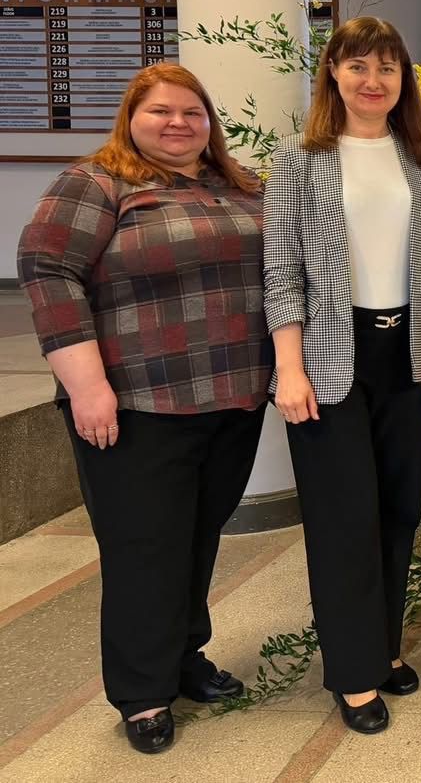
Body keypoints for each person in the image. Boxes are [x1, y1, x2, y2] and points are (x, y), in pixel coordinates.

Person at [16, 63, 269, 755]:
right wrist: (87, 385)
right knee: (143, 549)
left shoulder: (237, 184)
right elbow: (47, 269)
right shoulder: (97, 183)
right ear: (131, 116)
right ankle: (142, 692)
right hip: (136, 402)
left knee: (197, 537)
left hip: (231, 396)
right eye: (161, 111)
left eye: (193, 111)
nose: (178, 123)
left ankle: (183, 658)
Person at [263, 17, 421, 734]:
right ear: (334, 74)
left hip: (404, 353)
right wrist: (288, 367)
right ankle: (352, 674)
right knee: (344, 519)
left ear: (403, 80)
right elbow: (281, 271)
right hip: (325, 359)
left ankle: (382, 647)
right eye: (358, 66)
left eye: (387, 67)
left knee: (399, 508)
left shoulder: (418, 159)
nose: (374, 80)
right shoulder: (298, 158)